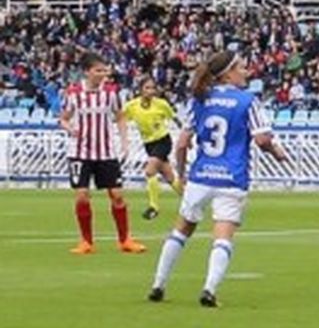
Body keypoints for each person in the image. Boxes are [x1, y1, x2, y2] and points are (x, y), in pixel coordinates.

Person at [148, 51, 291, 306]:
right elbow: (261, 139)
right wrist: (277, 152)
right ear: (228, 73)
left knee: (181, 230)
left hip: (201, 174)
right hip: (232, 177)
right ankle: (209, 290)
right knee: (223, 236)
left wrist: (181, 174)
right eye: (243, 68)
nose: (247, 72)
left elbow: (181, 143)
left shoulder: (200, 99)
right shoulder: (247, 101)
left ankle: (158, 284)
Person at [60, 53, 143, 255]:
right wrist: (69, 128)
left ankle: (125, 240)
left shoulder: (111, 93)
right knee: (82, 195)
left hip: (106, 152)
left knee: (117, 194)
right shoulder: (73, 93)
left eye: (104, 70)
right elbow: (63, 118)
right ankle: (86, 241)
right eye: (98, 70)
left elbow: (120, 116)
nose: (103, 74)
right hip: (79, 151)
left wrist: (124, 141)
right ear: (87, 71)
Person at [124, 77, 185, 221]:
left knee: (150, 171)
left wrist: (185, 137)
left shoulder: (161, 104)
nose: (151, 91)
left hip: (163, 141)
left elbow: (175, 119)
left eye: (153, 88)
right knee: (169, 177)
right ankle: (191, 202)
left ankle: (154, 207)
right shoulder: (132, 106)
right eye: (147, 88)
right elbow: (120, 118)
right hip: (149, 144)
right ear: (140, 90)